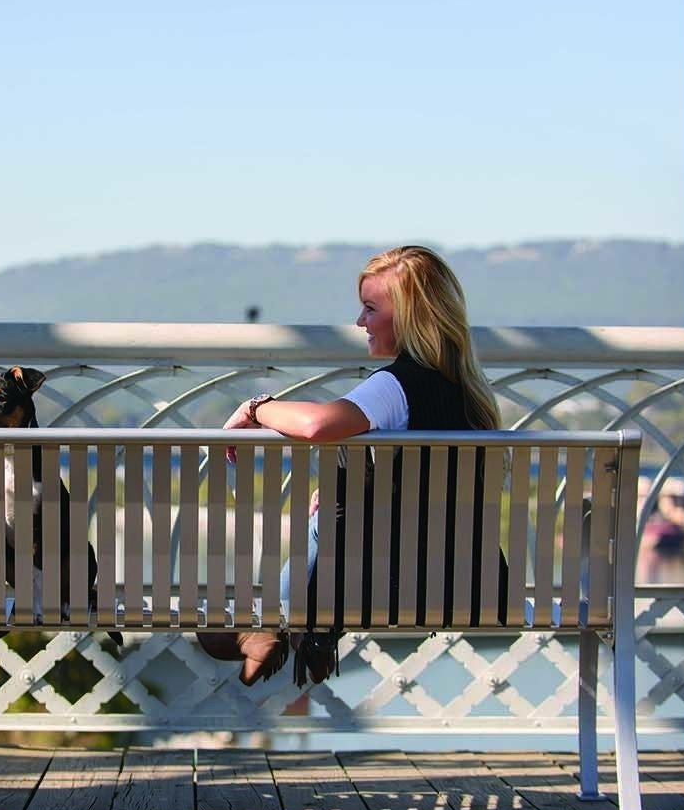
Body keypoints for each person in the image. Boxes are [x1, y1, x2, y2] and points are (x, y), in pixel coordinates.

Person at [196, 244, 502, 685]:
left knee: (331, 522)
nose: (360, 322)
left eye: (370, 309)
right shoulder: (467, 393)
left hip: (403, 588)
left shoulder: (397, 385)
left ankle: (272, 623)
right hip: (475, 584)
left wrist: (256, 408)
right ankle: (283, 625)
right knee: (340, 509)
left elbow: (318, 425)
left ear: (411, 316)